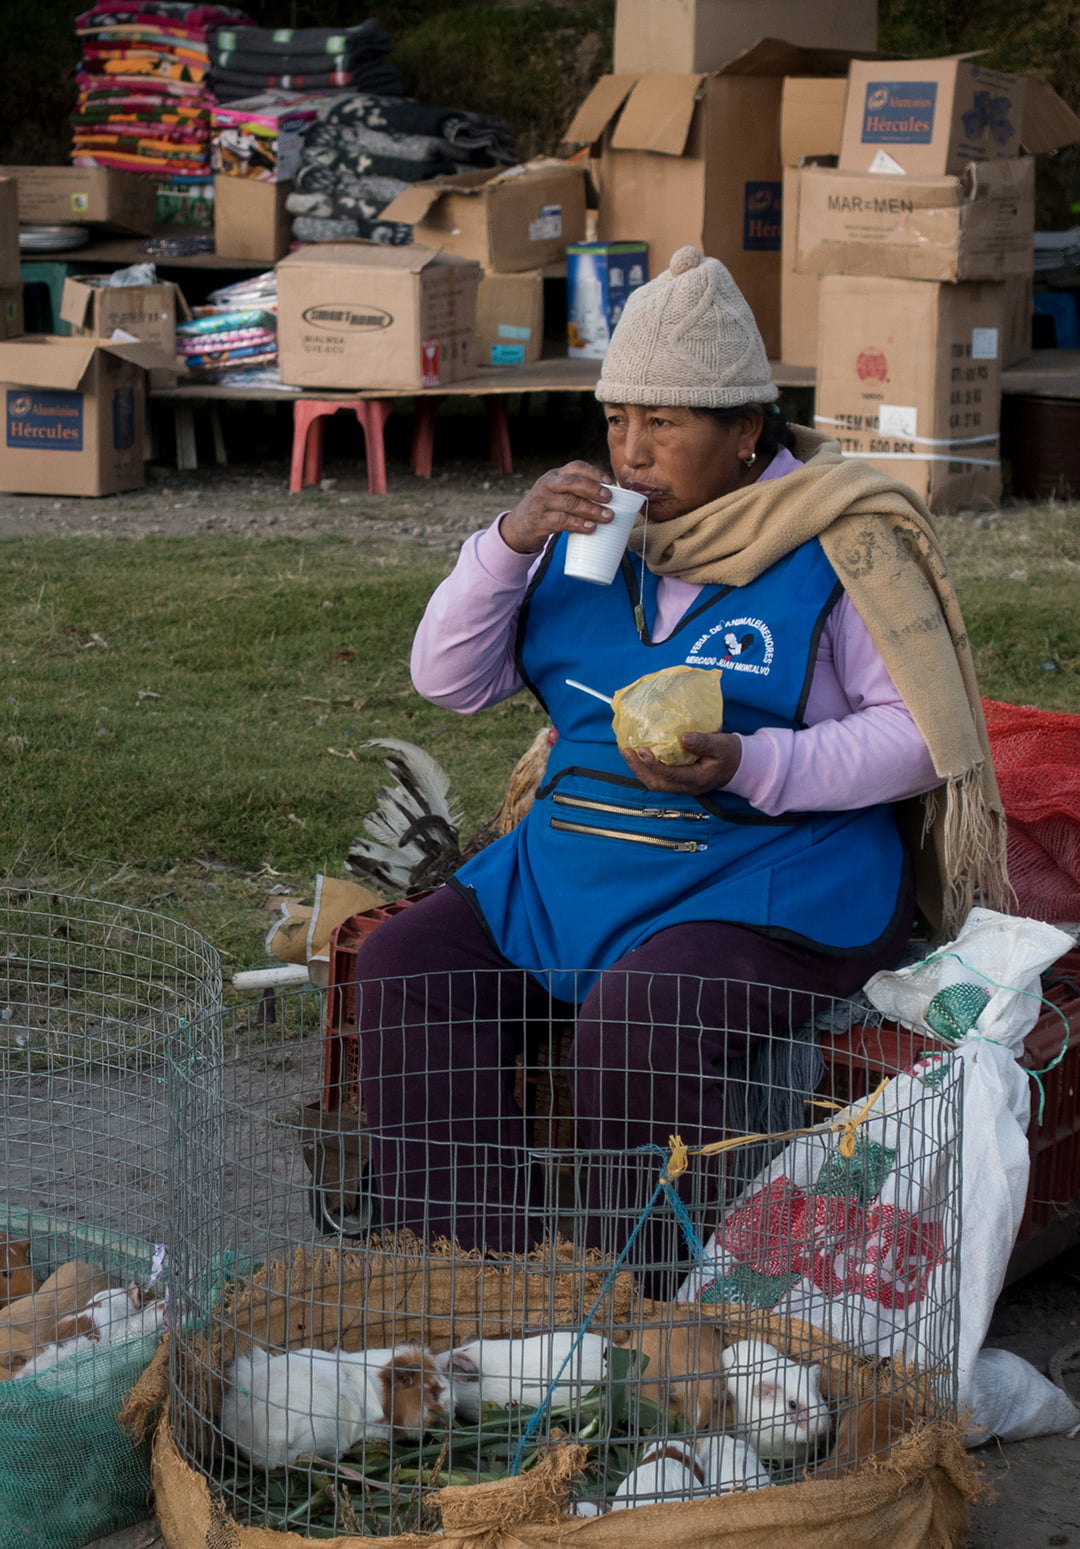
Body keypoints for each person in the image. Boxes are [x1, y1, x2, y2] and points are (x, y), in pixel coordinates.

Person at [353, 246, 1007, 1287]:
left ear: (747, 432)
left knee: (637, 1013)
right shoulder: (595, 540)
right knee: (407, 967)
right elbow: (448, 679)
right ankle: (472, 1286)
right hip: (578, 859)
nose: (634, 453)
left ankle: (660, 1312)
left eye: (666, 424)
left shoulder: (841, 541)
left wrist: (753, 760)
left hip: (771, 875)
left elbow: (923, 735)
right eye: (618, 422)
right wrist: (507, 542)